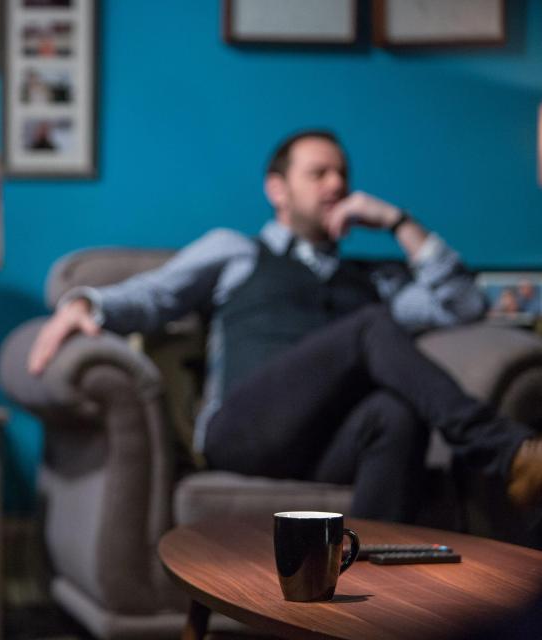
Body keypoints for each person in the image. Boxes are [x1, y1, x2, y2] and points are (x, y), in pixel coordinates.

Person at [28, 129, 542, 523]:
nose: (337, 184)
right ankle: (505, 450)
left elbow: (464, 305)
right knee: (370, 326)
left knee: (394, 413)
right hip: (244, 432)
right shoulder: (237, 252)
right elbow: (155, 295)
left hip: (328, 446)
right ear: (277, 189)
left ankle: (364, 602)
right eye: (318, 173)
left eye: (342, 174)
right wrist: (84, 304)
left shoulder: (371, 280)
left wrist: (397, 221)